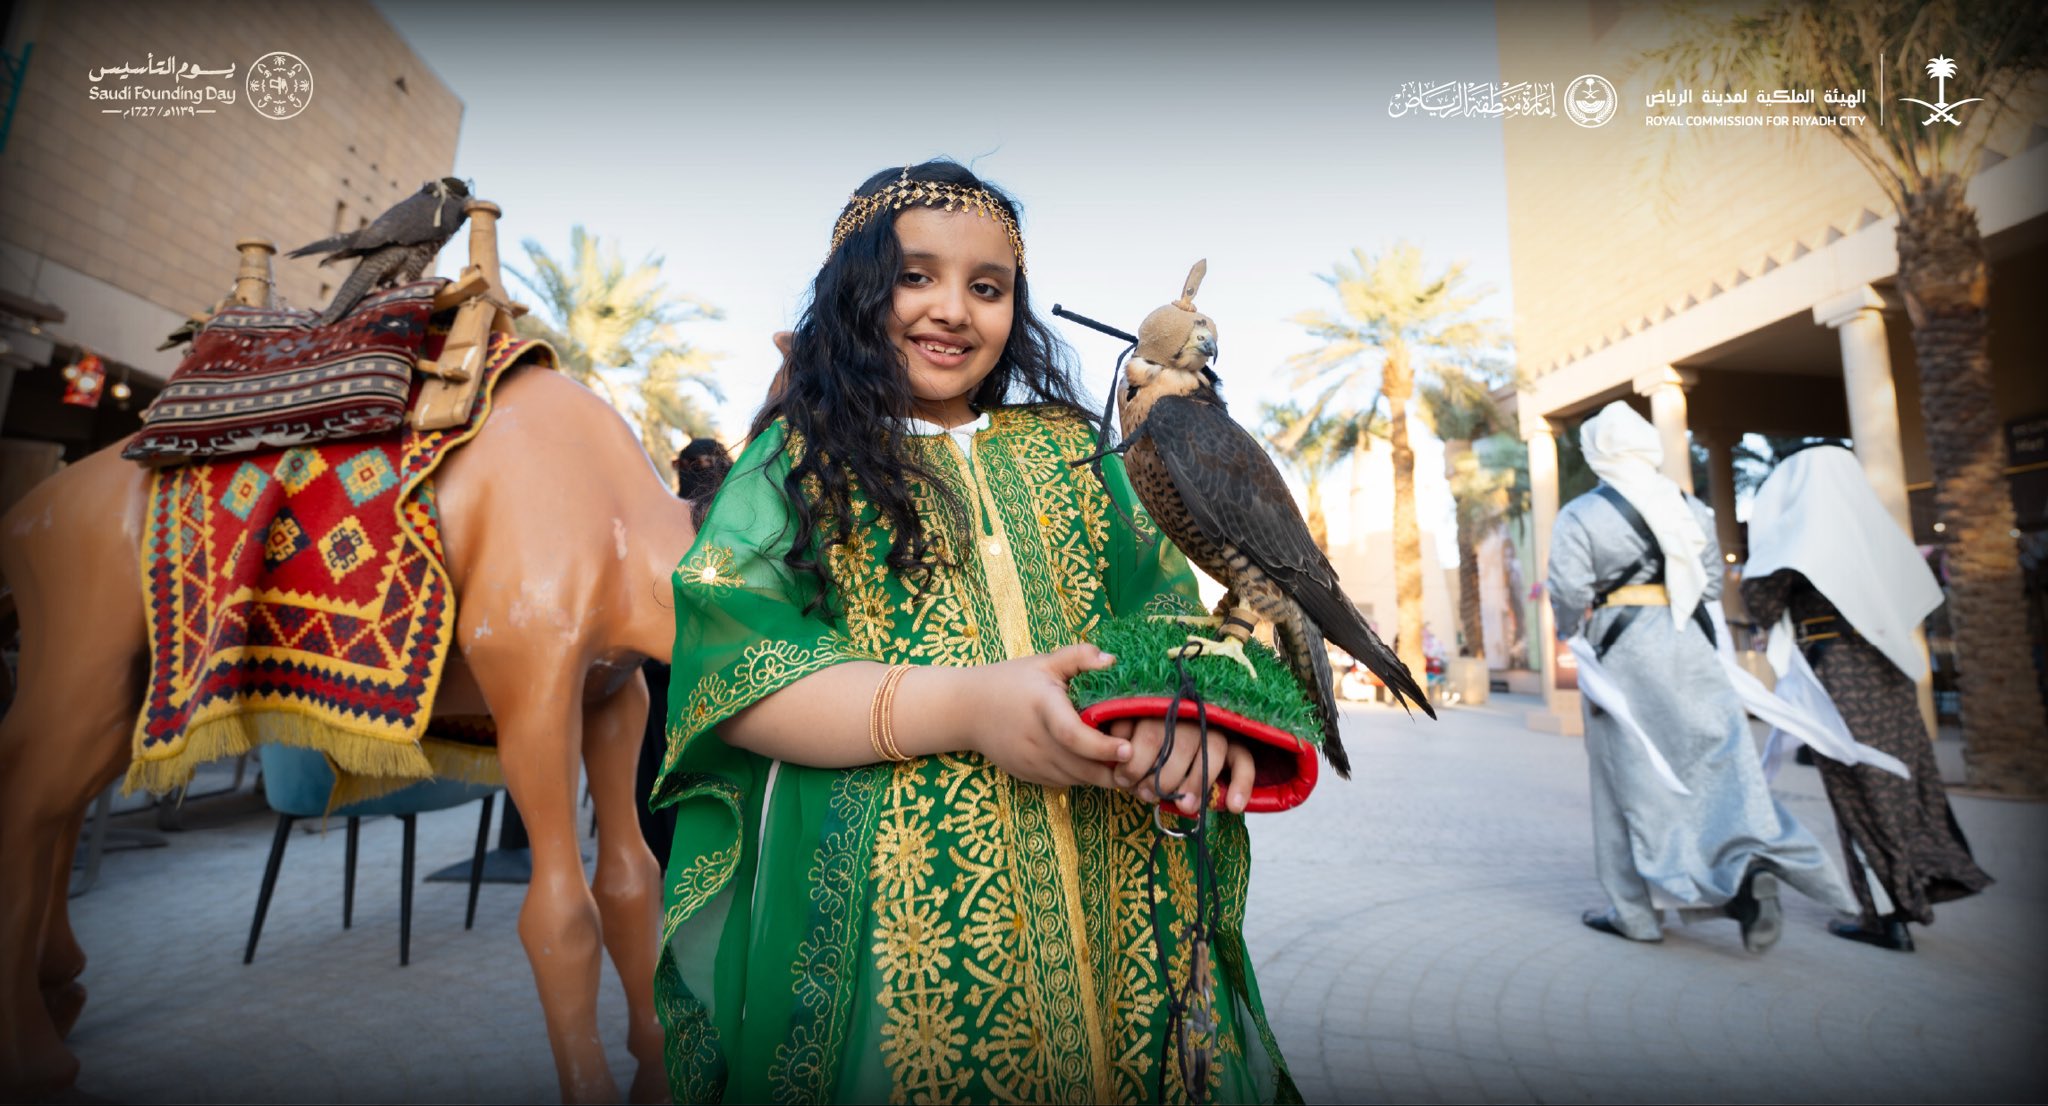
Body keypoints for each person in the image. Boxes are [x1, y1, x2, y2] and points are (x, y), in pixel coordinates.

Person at [651, 160, 1297, 1103]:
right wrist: (966, 706)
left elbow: (1161, 616)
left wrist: (1185, 718)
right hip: (893, 945)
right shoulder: (792, 464)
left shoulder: (1082, 454)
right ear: (853, 295)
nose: (952, 309)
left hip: (1126, 910)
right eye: (915, 277)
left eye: (987, 288)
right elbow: (733, 666)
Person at [1546, 402, 1855, 951]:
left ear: (1598, 451)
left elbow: (1568, 593)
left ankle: (1635, 914)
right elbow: (1711, 583)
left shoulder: (1580, 514)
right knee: (1714, 769)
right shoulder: (1687, 504)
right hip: (1692, 644)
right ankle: (1741, 874)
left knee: (1625, 778)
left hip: (1624, 650)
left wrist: (1577, 631)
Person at [1740, 445, 1991, 952]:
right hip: (1886, 666)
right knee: (1899, 778)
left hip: (1838, 670)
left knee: (1857, 785)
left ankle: (1885, 917)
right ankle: (1915, 885)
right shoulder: (1871, 531)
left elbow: (1761, 599)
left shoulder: (1803, 532)